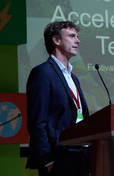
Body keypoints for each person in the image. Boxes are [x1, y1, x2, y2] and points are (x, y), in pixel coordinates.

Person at [26, 21, 90, 176]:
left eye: (77, 36)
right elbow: (37, 121)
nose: (78, 41)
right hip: (57, 157)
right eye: (72, 36)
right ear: (56, 40)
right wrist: (47, 161)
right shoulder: (42, 73)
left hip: (80, 154)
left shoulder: (73, 77)